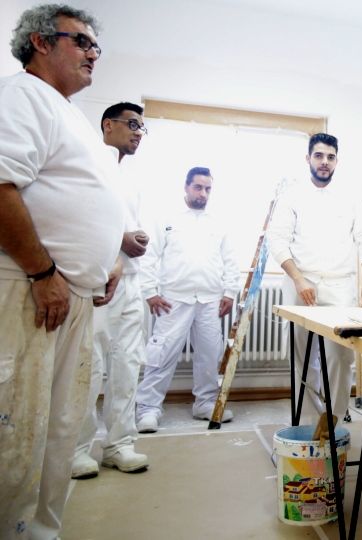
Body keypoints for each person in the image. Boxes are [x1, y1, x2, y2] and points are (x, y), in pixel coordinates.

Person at [0, 5, 126, 538]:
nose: (94, 53)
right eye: (83, 42)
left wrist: (108, 260)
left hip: (72, 292)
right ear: (40, 42)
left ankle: (40, 531)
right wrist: (41, 271)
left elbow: (83, 200)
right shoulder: (20, 95)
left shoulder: (70, 113)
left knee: (58, 429)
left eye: (97, 46)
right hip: (30, 288)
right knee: (18, 429)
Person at [267, 132, 362, 423]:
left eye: (330, 157)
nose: (324, 162)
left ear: (336, 161)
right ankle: (306, 420)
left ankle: (335, 419)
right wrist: (299, 280)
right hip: (299, 284)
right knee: (300, 355)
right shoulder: (291, 196)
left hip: (340, 285)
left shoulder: (351, 196)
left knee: (341, 355)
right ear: (308, 158)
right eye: (319, 155)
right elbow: (276, 240)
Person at [72, 102, 151, 479]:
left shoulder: (132, 177)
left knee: (128, 366)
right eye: (132, 124)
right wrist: (120, 239)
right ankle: (76, 449)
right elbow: (78, 216)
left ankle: (119, 444)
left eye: (142, 127)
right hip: (98, 281)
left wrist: (137, 239)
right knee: (91, 366)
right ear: (108, 125)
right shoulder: (88, 164)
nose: (138, 132)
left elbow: (129, 225)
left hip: (131, 281)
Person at [135, 167, 241, 431]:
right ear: (186, 186)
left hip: (209, 301)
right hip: (173, 300)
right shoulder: (167, 218)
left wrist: (229, 293)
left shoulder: (218, 222)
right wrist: (150, 292)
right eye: (198, 187)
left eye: (207, 189)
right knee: (161, 355)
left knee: (209, 355)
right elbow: (149, 256)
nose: (202, 193)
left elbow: (230, 261)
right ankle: (148, 408)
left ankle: (204, 404)